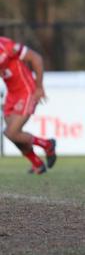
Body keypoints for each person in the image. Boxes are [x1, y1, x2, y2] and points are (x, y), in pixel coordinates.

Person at [0, 37, 56, 174]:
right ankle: (37, 164)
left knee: (11, 132)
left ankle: (47, 144)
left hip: (27, 91)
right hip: (12, 95)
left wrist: (39, 88)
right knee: (15, 135)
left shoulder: (7, 46)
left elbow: (36, 58)